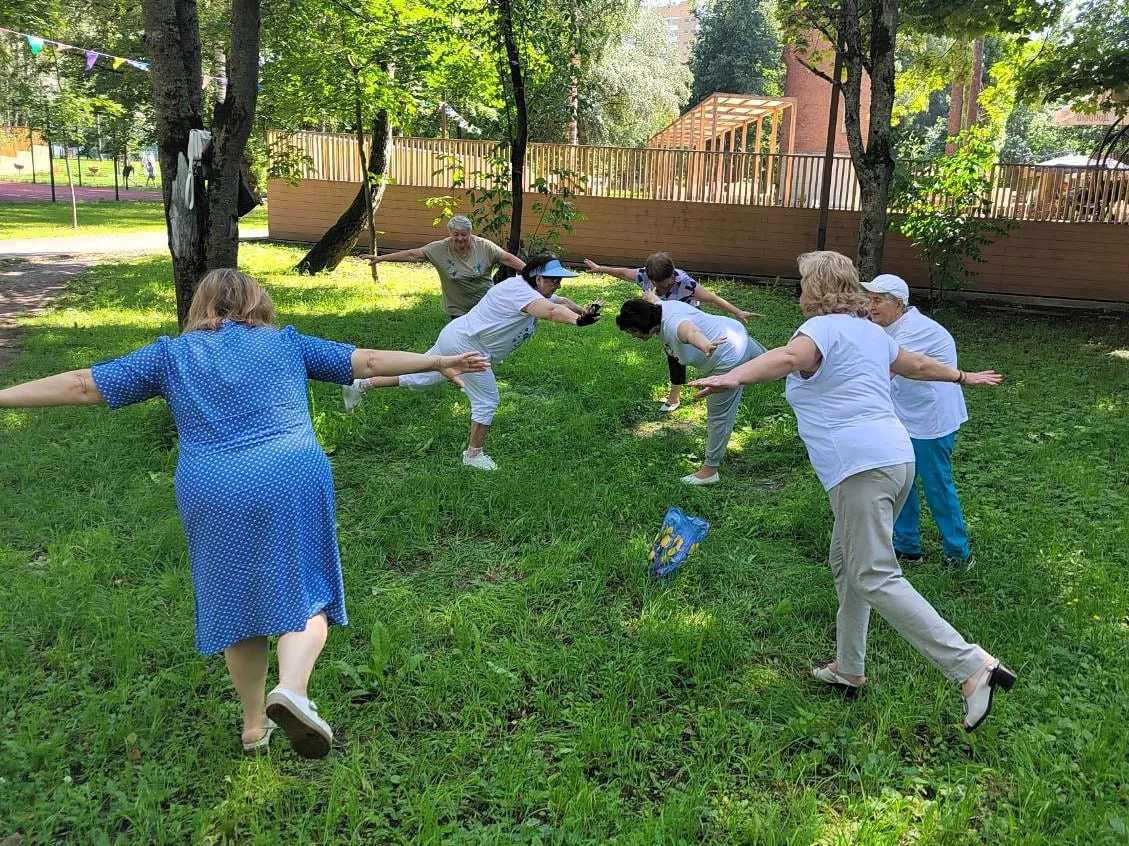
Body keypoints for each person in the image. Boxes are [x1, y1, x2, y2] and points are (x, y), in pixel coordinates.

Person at [0, 269, 487, 758]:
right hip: (290, 474)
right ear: (261, 303)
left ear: (199, 306)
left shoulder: (171, 355)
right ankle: (292, 689)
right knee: (306, 589)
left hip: (212, 487)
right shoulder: (287, 344)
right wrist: (438, 358)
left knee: (236, 603)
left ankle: (254, 725)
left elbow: (84, 384)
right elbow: (367, 360)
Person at [690, 251, 1015, 731]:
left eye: (802, 283)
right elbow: (920, 365)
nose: (798, 292)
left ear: (818, 289)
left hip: (859, 467)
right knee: (847, 565)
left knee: (875, 574)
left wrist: (730, 375)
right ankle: (849, 667)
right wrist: (964, 376)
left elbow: (786, 358)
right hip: (896, 459)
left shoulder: (820, 330)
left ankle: (972, 667)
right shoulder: (871, 333)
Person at [343, 254, 601, 471]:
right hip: (467, 347)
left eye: (560, 281)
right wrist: (578, 322)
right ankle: (474, 456)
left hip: (458, 336)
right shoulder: (517, 291)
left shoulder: (531, 290)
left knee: (421, 379)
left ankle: (362, 384)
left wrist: (582, 311)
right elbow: (553, 312)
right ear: (538, 278)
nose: (558, 285)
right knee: (487, 399)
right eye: (554, 280)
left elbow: (562, 303)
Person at [863, 274, 974, 568]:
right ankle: (908, 546)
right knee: (903, 481)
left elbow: (883, 370)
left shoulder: (914, 331)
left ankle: (958, 553)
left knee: (936, 483)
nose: (870, 307)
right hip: (902, 414)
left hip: (931, 419)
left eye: (877, 301)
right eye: (869, 299)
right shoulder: (884, 326)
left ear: (899, 304)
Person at [615, 295, 765, 485]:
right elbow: (653, 298)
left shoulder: (674, 325)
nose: (632, 336)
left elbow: (691, 332)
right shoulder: (658, 306)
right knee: (774, 365)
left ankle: (710, 471)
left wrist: (705, 345)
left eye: (632, 331)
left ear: (642, 326)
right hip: (736, 335)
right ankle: (802, 372)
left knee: (719, 417)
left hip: (727, 359)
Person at [584, 252, 762, 412]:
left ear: (672, 274)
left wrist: (736, 313)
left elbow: (704, 310)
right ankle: (675, 395)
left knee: (679, 353)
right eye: (655, 283)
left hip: (686, 321)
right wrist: (600, 268)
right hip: (659, 322)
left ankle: (674, 397)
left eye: (663, 283)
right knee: (675, 356)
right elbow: (623, 273)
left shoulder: (684, 282)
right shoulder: (645, 277)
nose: (659, 287)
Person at [360, 215, 526, 319]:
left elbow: (508, 258)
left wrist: (531, 273)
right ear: (450, 234)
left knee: (485, 338)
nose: (460, 239)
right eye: (456, 235)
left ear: (471, 234)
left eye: (464, 235)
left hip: (485, 304)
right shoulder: (439, 249)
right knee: (462, 341)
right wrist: (381, 258)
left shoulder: (484, 246)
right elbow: (412, 254)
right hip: (457, 308)